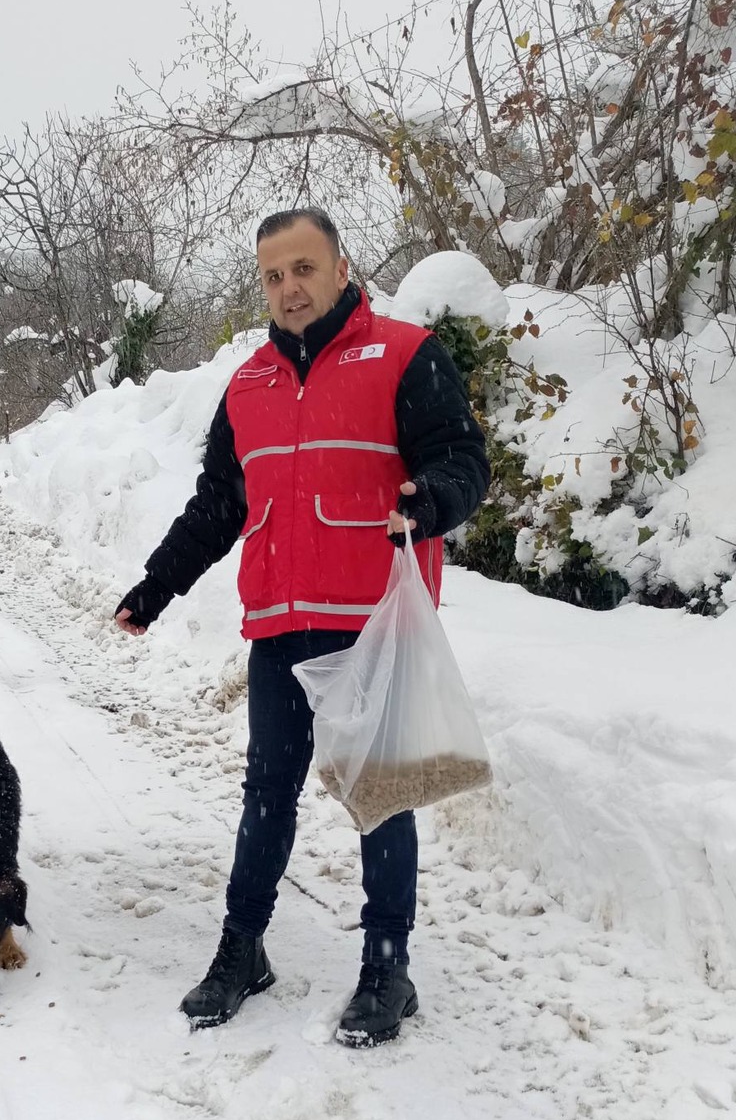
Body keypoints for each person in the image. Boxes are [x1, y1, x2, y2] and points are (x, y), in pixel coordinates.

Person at [114, 208, 489, 1044]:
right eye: (274, 276)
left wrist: (432, 500)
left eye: (304, 268)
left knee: (382, 795)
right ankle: (242, 948)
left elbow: (463, 457)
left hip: (375, 626)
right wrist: (157, 585)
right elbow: (219, 506)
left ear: (340, 267)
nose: (289, 288)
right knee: (267, 793)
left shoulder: (405, 356)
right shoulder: (248, 386)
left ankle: (387, 969)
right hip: (279, 626)